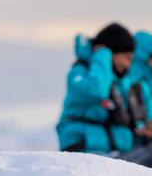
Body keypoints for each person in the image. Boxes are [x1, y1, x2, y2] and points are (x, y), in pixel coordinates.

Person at [55, 22, 141, 154]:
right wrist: (102, 54)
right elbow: (97, 90)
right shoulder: (79, 73)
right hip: (83, 154)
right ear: (111, 53)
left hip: (113, 155)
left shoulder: (117, 81)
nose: (128, 65)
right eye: (126, 58)